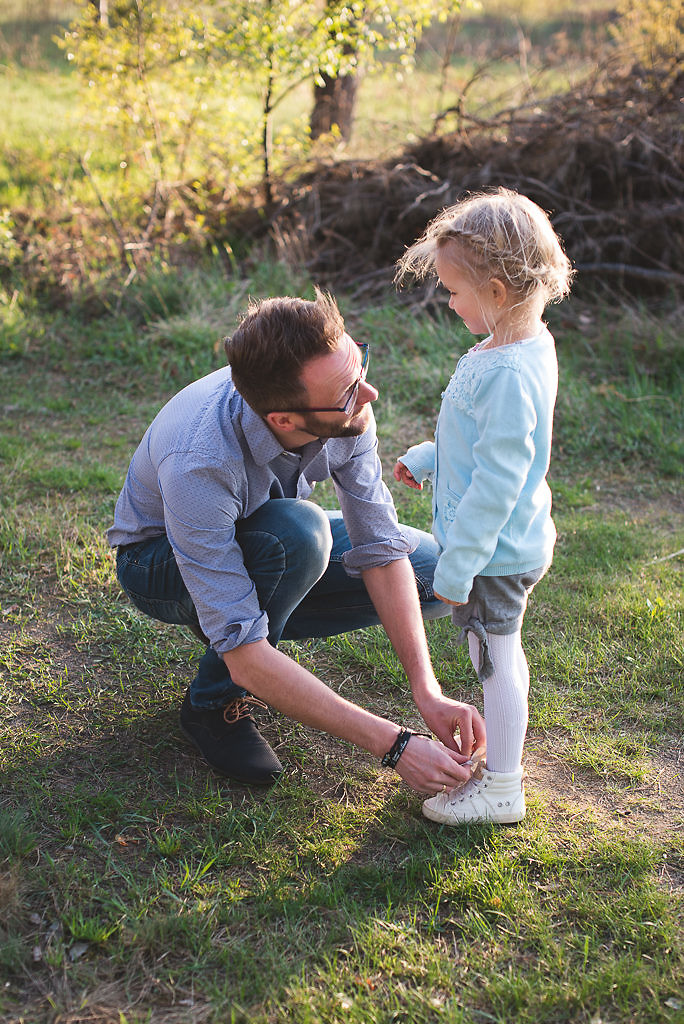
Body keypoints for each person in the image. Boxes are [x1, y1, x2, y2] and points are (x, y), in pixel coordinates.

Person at [108, 289, 486, 794]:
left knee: (436, 574)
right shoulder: (200, 461)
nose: (369, 394)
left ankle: (270, 639)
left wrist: (428, 690)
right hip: (158, 562)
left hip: (265, 528)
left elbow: (379, 545)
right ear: (284, 420)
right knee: (297, 539)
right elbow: (241, 647)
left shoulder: (345, 406)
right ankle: (211, 705)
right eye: (349, 391)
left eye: (360, 367)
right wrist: (395, 745)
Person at [394, 187, 573, 825]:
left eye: (454, 290)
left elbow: (500, 479)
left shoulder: (511, 370)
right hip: (494, 547)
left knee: (496, 661)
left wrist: (457, 566)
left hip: (495, 553)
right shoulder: (510, 347)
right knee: (491, 654)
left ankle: (503, 786)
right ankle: (500, 767)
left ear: (497, 292)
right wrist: (427, 456)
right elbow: (476, 440)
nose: (448, 301)